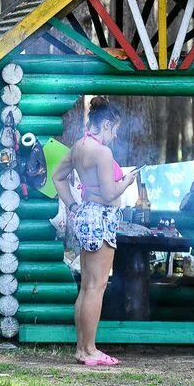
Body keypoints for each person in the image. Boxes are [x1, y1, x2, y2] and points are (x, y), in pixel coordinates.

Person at [51, 96, 139, 366]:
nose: (116, 135)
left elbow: (58, 176)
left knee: (86, 287)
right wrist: (126, 181)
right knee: (97, 287)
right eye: (115, 129)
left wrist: (73, 205)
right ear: (107, 125)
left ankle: (81, 348)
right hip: (100, 218)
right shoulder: (102, 152)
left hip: (86, 213)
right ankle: (89, 350)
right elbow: (111, 191)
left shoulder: (79, 146)